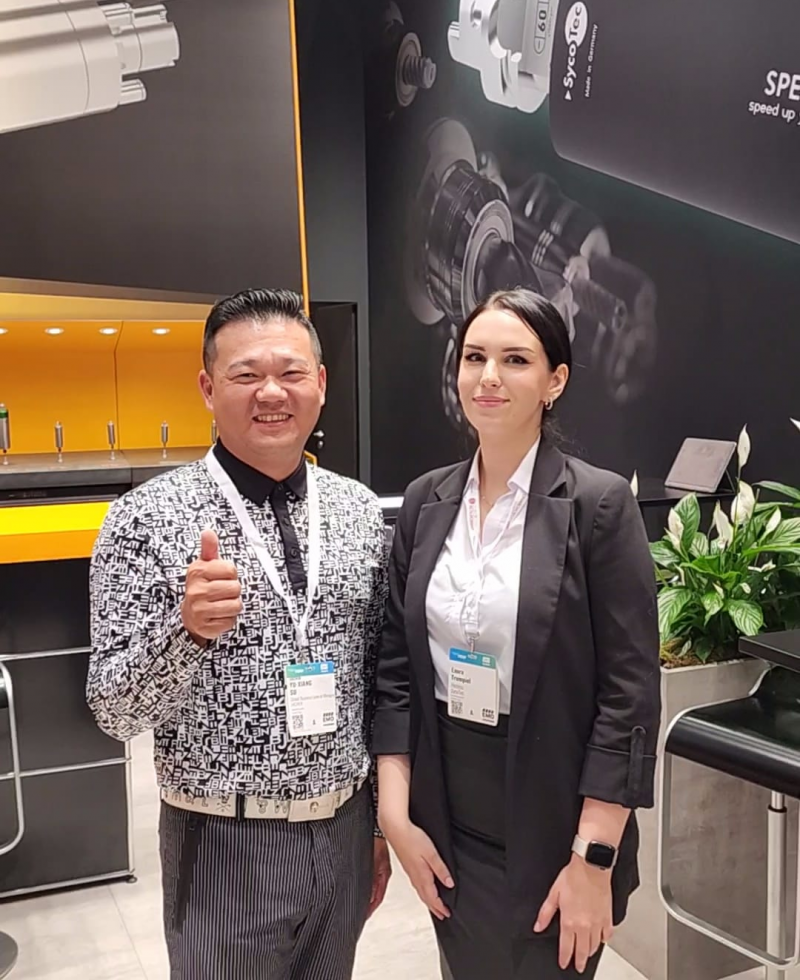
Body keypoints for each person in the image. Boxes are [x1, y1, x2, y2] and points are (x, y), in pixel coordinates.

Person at [87, 288, 391, 980]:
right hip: (221, 841)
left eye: (290, 372)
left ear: (321, 383)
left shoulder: (358, 511)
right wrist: (186, 634)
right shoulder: (145, 518)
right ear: (207, 388)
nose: (271, 393)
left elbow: (378, 681)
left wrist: (375, 824)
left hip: (343, 830)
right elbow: (114, 710)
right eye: (246, 374)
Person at [373, 289, 660, 979]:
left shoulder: (597, 505)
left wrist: (593, 859)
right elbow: (396, 666)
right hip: (449, 816)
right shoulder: (425, 501)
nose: (489, 377)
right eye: (474, 357)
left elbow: (628, 695)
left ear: (555, 381)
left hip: (556, 826)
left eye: (515, 360)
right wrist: (394, 816)